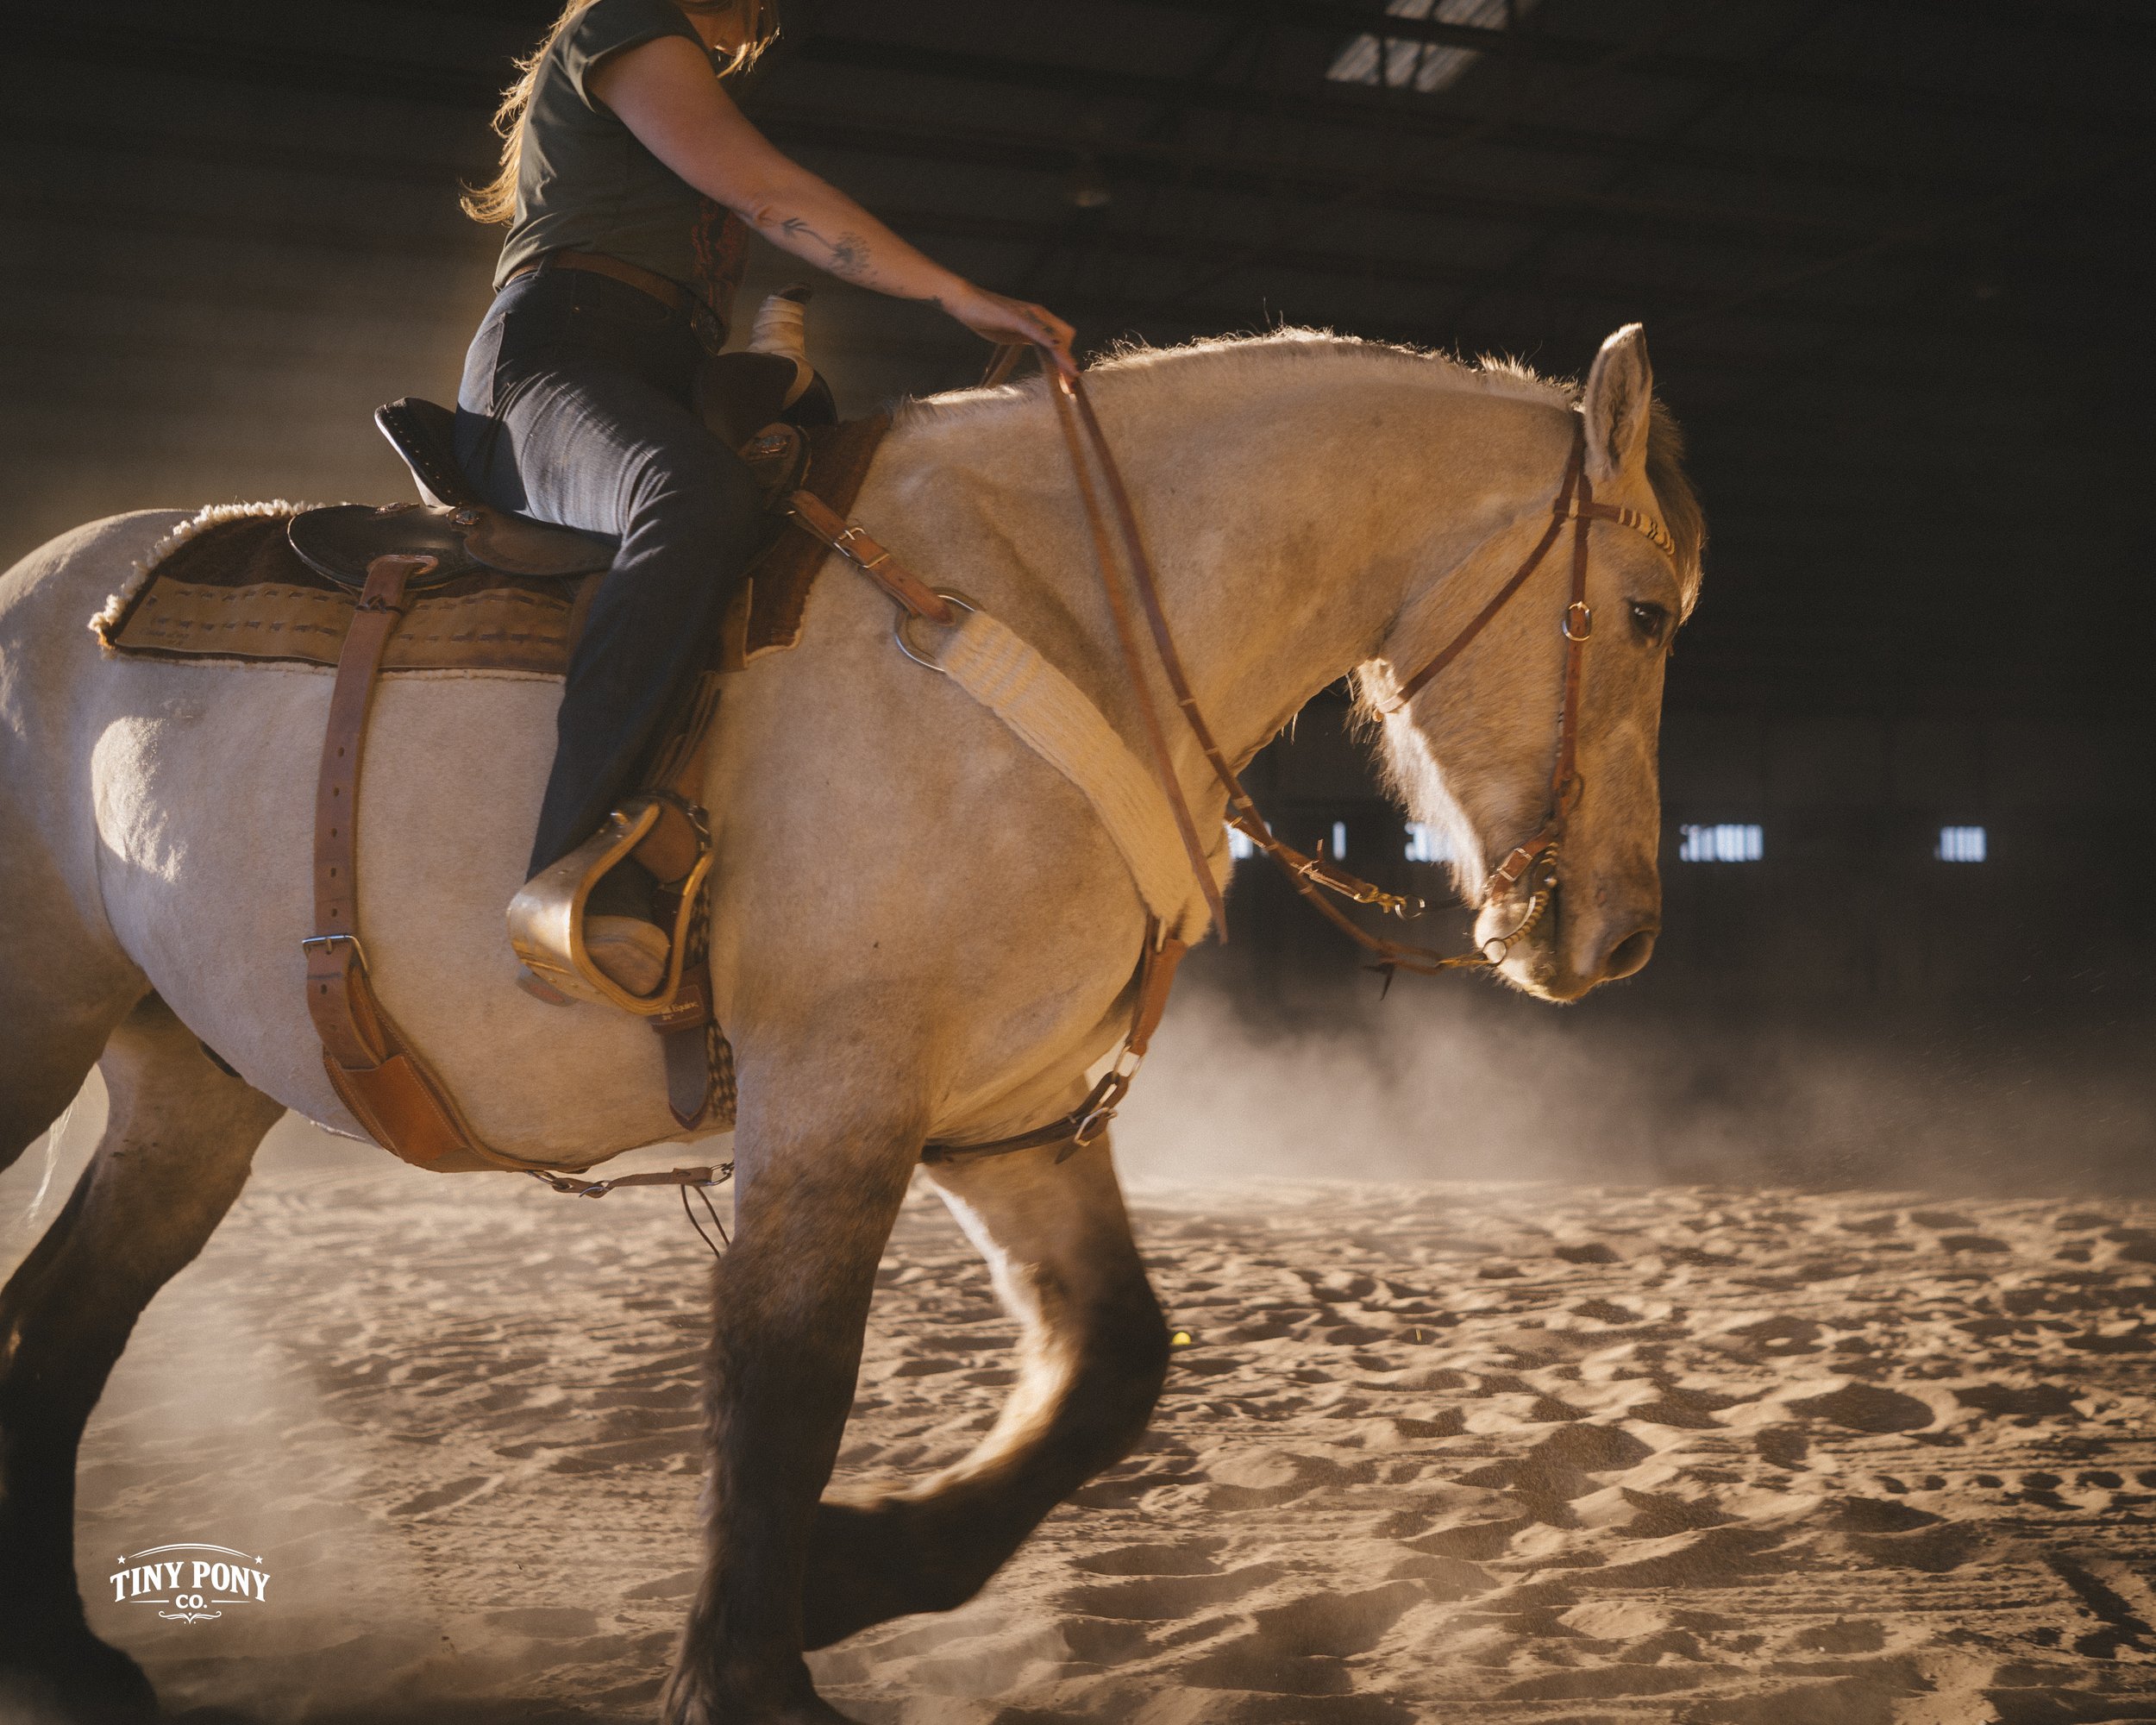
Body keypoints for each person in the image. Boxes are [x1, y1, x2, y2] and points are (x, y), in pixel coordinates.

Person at [455, 0, 1075, 995]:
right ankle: (568, 873)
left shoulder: (678, 67)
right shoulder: (622, 23)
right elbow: (761, 189)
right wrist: (946, 290)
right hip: (555, 357)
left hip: (658, 365)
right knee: (687, 491)